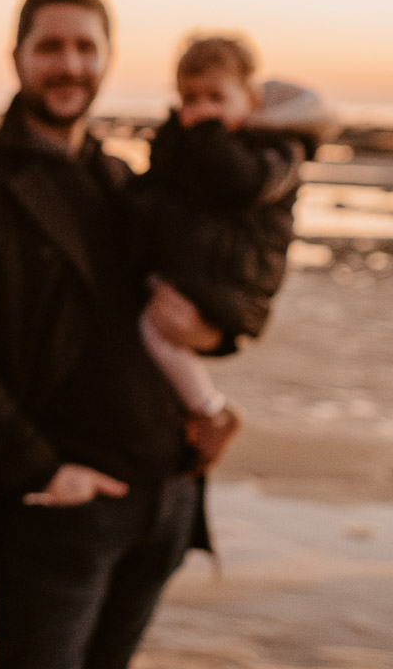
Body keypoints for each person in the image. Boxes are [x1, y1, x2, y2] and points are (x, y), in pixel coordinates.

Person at [0, 0, 212, 669]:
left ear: (107, 59)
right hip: (61, 513)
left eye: (85, 46)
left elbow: (186, 307)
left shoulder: (124, 185)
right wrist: (45, 470)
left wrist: (213, 376)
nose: (69, 64)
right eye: (52, 46)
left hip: (165, 501)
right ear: (18, 58)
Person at [135, 35, 336, 470]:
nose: (201, 109)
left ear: (251, 100)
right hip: (199, 272)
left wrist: (202, 131)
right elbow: (157, 194)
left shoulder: (278, 149)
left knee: (155, 327)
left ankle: (210, 410)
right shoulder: (195, 143)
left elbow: (240, 183)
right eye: (190, 98)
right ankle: (195, 412)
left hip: (236, 284)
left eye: (215, 98)